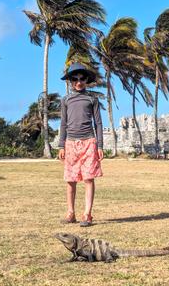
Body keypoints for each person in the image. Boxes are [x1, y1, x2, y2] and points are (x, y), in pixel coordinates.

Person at [58, 63, 104, 227]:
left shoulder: (92, 99)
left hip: (89, 142)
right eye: (75, 79)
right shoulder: (66, 100)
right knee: (70, 180)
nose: (79, 82)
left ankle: (87, 214)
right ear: (70, 81)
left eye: (82, 78)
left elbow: (98, 123)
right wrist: (61, 145)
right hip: (70, 143)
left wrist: (100, 146)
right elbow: (63, 124)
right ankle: (70, 213)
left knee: (88, 179)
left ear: (87, 80)